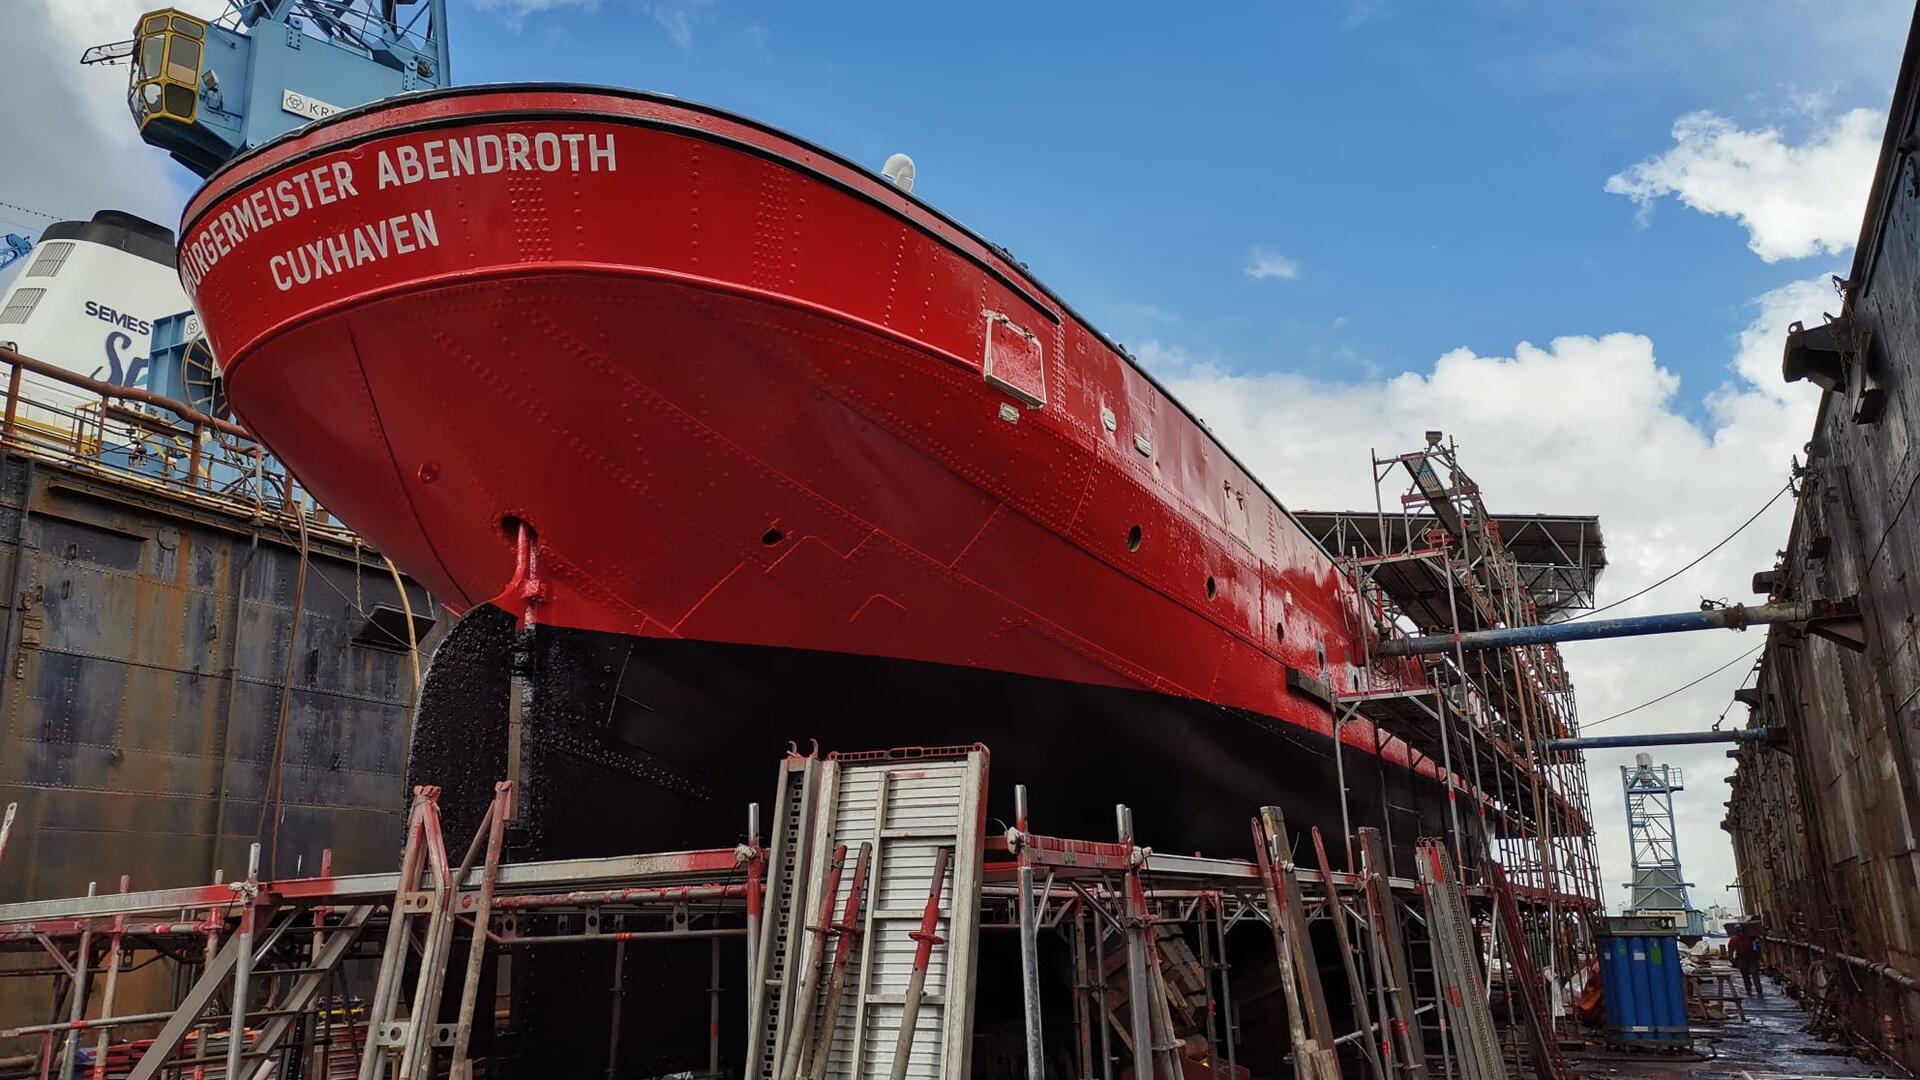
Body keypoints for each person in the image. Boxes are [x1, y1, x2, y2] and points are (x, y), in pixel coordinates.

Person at [1727, 923, 1762, 997]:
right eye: (1739, 931)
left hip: (1752, 958)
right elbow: (1731, 950)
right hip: (1741, 959)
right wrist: (1732, 959)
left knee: (1755, 974)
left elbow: (1757, 949)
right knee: (1745, 976)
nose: (1741, 933)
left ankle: (1759, 990)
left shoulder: (1751, 938)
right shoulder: (1734, 940)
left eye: (1742, 931)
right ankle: (1748, 990)